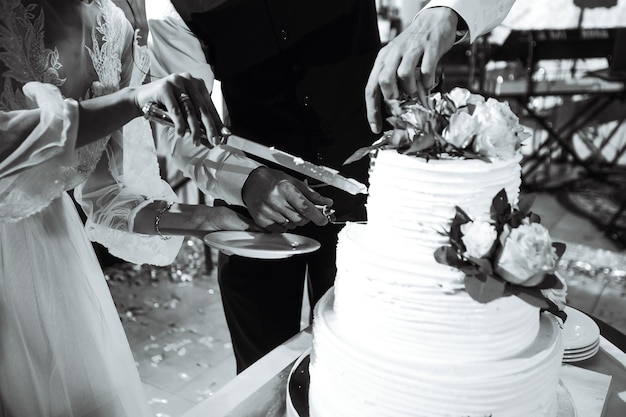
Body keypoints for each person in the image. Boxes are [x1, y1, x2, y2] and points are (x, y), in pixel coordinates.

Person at [145, 0, 516, 373]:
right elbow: (182, 131)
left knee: (369, 372)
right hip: (255, 219)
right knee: (262, 375)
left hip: (376, 203)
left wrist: (445, 12)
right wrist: (244, 180)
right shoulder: (171, 9)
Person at [0, 1, 264, 415]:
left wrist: (203, 221)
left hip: (50, 255)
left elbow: (105, 197)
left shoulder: (114, 30)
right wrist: (130, 100)